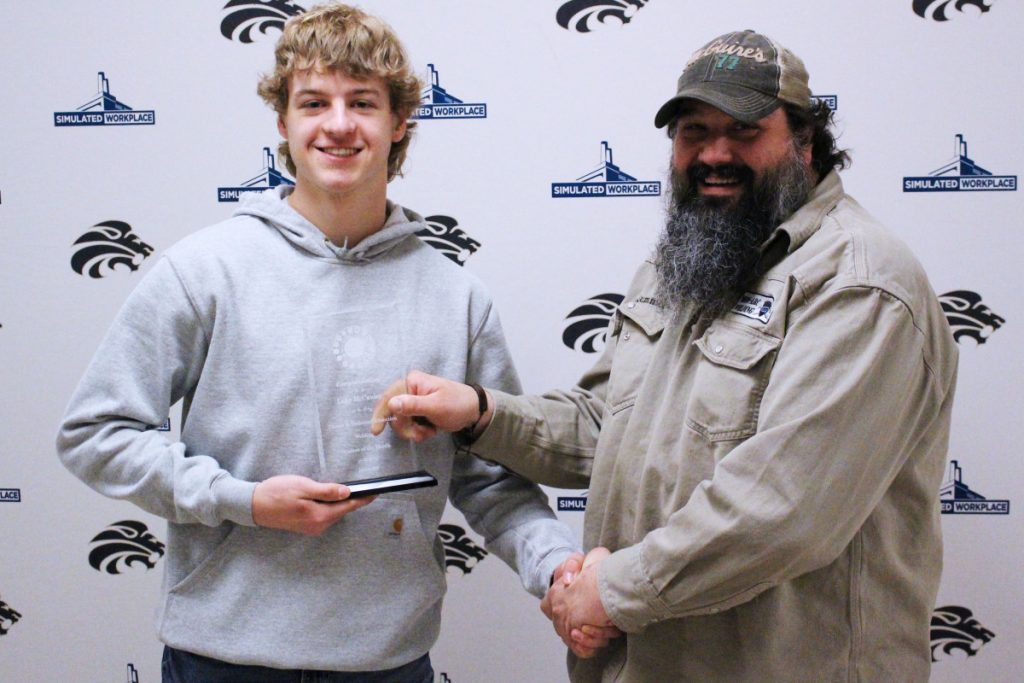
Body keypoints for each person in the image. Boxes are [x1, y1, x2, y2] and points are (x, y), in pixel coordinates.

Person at [373, 29, 959, 682]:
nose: (714, 153)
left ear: (806, 141)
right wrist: (482, 414)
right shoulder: (682, 264)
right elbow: (608, 426)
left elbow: (785, 506)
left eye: (742, 130)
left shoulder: (859, 281)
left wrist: (612, 591)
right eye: (692, 131)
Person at [56, 4, 578, 681]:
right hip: (220, 658)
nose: (338, 124)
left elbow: (493, 478)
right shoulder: (205, 270)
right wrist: (240, 499)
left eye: (362, 102)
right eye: (314, 102)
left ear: (399, 123)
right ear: (284, 122)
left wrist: (559, 568)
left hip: (386, 662)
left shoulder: (458, 298)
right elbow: (94, 432)